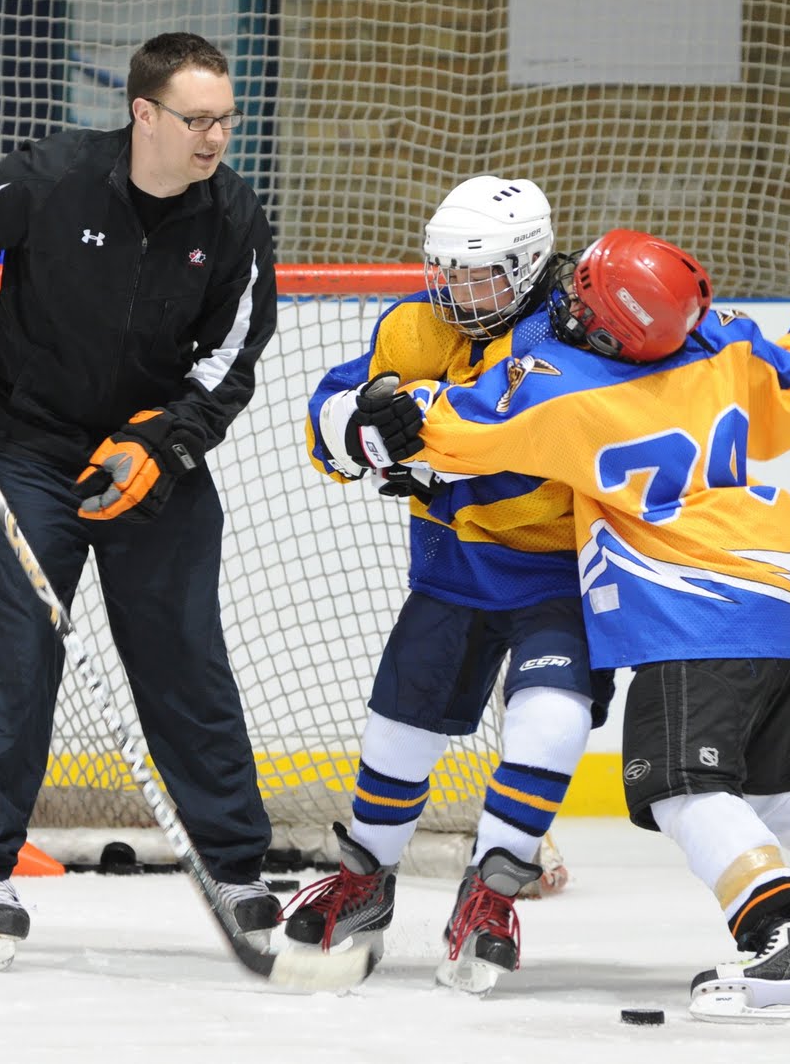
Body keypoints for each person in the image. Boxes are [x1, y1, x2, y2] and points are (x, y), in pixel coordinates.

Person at [353, 203, 790, 1020]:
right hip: (783, 600)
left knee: (682, 789)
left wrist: (386, 413)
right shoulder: (726, 343)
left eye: (581, 300)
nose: (566, 303)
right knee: (778, 785)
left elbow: (454, 426)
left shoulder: (566, 388)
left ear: (609, 333)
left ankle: (783, 944)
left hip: (693, 613)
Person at [0, 32, 279, 971]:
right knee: (22, 654)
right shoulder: (56, 176)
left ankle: (235, 870)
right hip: (29, 450)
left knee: (185, 655)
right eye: (196, 119)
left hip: (149, 460)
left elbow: (233, 358)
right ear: (144, 113)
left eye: (225, 120)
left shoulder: (232, 214)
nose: (215, 137)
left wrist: (164, 441)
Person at [286, 176, 613, 994]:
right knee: (399, 723)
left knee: (551, 721)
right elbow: (328, 417)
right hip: (455, 569)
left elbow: (522, 426)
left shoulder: (579, 331)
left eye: (482, 274)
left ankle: (492, 894)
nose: (459, 290)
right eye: (449, 271)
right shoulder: (414, 326)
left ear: (529, 265)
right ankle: (365, 880)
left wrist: (424, 443)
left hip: (561, 572)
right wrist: (361, 426)